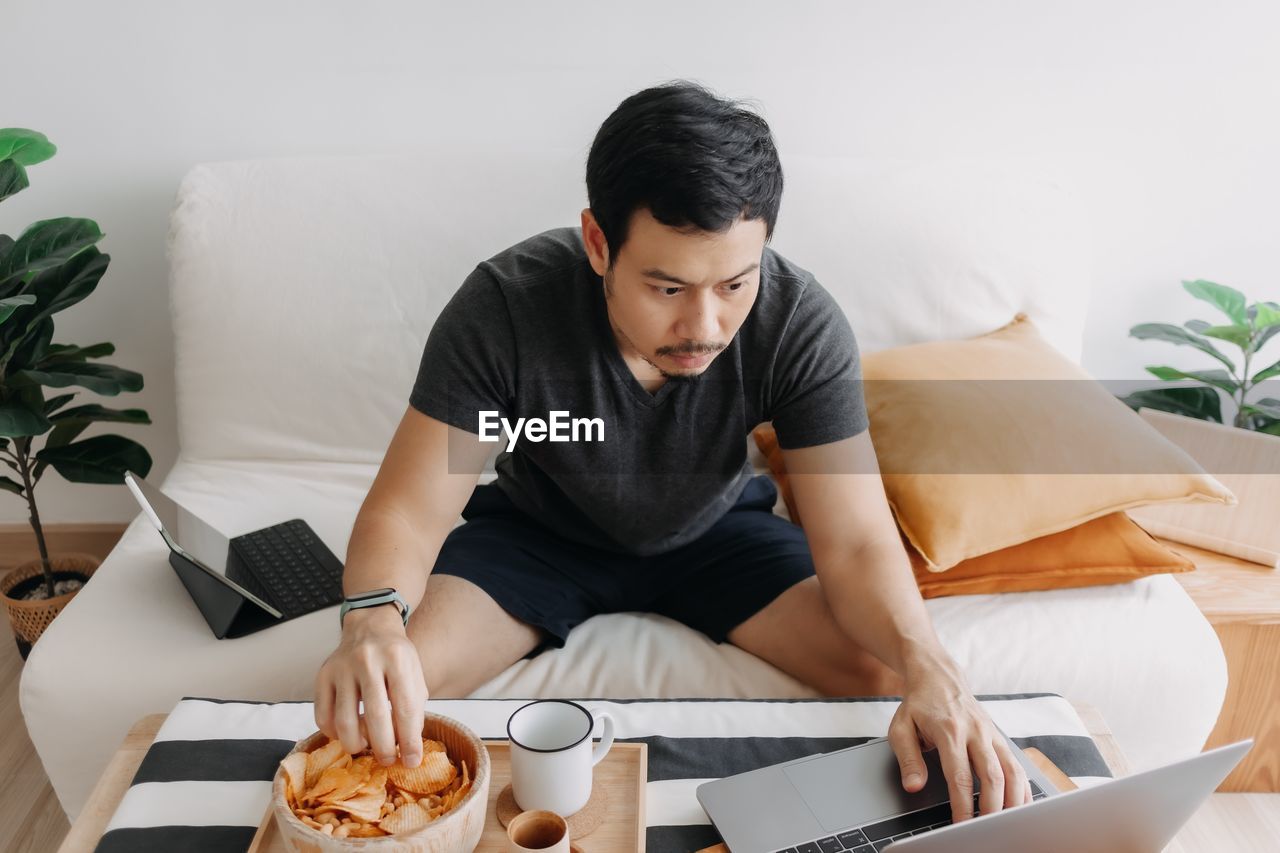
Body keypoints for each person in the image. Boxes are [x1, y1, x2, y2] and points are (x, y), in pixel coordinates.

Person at [314, 80, 1032, 825]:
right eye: (667, 286)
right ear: (598, 244)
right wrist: (371, 620)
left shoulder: (797, 321)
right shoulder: (506, 308)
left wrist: (932, 664)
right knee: (396, 690)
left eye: (734, 283)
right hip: (539, 535)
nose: (706, 324)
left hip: (718, 535)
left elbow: (853, 537)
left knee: (889, 670)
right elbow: (408, 508)